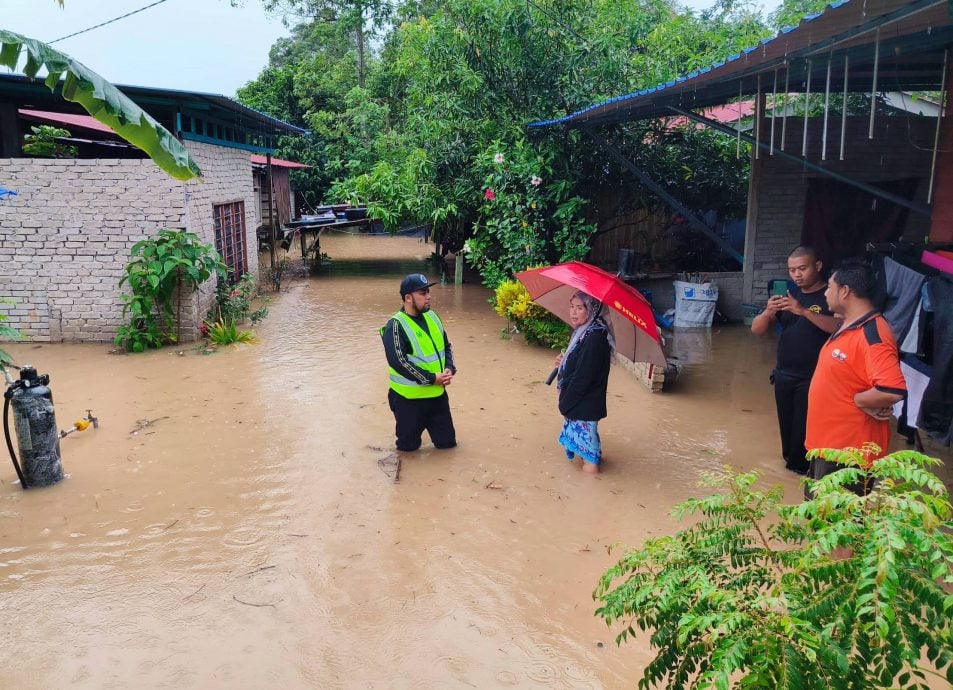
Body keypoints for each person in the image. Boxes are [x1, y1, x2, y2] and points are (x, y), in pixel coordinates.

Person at [805, 258, 906, 492]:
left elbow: (892, 389)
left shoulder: (873, 334)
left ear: (845, 291)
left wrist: (859, 401)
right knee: (819, 521)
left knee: (838, 524)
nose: (825, 293)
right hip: (828, 448)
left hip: (848, 457)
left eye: (830, 287)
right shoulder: (850, 324)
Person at [751, 246, 840, 474]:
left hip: (813, 377)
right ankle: (790, 473)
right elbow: (757, 330)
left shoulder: (829, 296)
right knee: (787, 429)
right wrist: (768, 312)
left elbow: (840, 328)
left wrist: (804, 311)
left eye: (802, 268)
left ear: (817, 266)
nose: (797, 275)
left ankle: (802, 475)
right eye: (792, 270)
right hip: (783, 373)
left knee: (804, 431)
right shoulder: (787, 296)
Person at [381, 273, 457, 452]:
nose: (428, 296)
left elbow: (446, 346)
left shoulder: (433, 317)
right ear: (408, 298)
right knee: (408, 451)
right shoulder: (396, 326)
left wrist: (449, 368)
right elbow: (399, 362)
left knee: (448, 446)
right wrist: (432, 378)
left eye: (428, 292)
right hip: (409, 402)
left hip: (437, 397)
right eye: (422, 293)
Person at [554, 291, 615, 474]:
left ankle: (590, 494)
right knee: (589, 451)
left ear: (592, 310)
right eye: (571, 306)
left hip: (584, 406)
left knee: (589, 462)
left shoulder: (595, 337)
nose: (573, 312)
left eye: (579, 308)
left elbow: (583, 377)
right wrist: (564, 361)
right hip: (582, 404)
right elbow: (579, 363)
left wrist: (564, 404)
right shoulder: (585, 331)